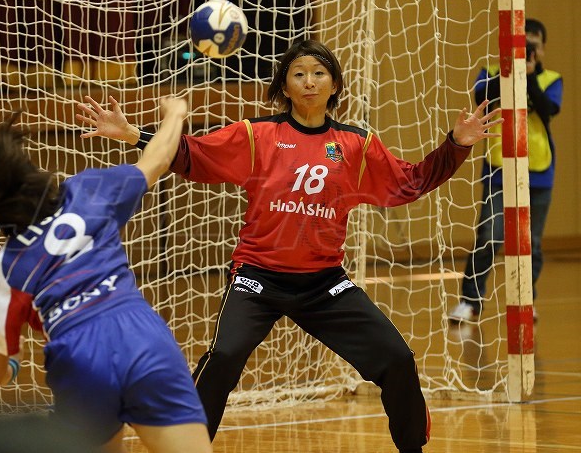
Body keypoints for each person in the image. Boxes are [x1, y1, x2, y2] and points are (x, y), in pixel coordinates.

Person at [76, 39, 502, 453]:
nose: (309, 82)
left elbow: (411, 181)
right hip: (258, 279)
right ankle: (186, 447)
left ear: (335, 84)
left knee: (397, 358)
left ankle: (412, 448)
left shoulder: (356, 145)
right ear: (284, 86)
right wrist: (132, 133)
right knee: (223, 356)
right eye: (298, 74)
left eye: (319, 73)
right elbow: (194, 154)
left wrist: (456, 144)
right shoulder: (258, 134)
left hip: (324, 284)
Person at [0, 98, 212, 453]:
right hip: (142, 336)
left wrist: (12, 368)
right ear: (32, 173)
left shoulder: (5, 268)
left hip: (78, 356)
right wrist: (175, 114)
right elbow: (158, 159)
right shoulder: (88, 191)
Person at [449, 18, 563, 323]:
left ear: (542, 49)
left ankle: (527, 300)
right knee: (489, 236)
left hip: (539, 170)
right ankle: (470, 301)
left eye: (533, 45)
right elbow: (482, 99)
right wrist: (510, 69)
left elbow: (548, 109)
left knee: (531, 243)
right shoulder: (490, 73)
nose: (527, 49)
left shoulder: (551, 79)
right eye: (521, 43)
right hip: (499, 169)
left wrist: (530, 74)